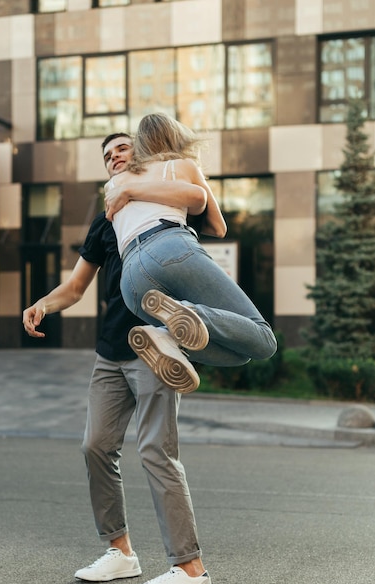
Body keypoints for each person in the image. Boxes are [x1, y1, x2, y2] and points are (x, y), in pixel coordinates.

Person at [22, 132, 214, 584]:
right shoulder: (105, 222)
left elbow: (210, 215)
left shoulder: (163, 201)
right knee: (95, 446)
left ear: (142, 154)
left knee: (156, 451)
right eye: (107, 156)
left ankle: (190, 570)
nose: (114, 158)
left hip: (153, 347)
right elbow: (75, 287)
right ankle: (120, 551)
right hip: (110, 350)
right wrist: (43, 305)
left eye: (122, 150)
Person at [104, 113, 278, 394]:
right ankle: (189, 312)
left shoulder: (115, 183)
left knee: (241, 352)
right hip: (170, 246)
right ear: (176, 137)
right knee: (263, 338)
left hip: (132, 284)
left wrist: (134, 191)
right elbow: (216, 223)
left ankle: (164, 335)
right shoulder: (181, 165)